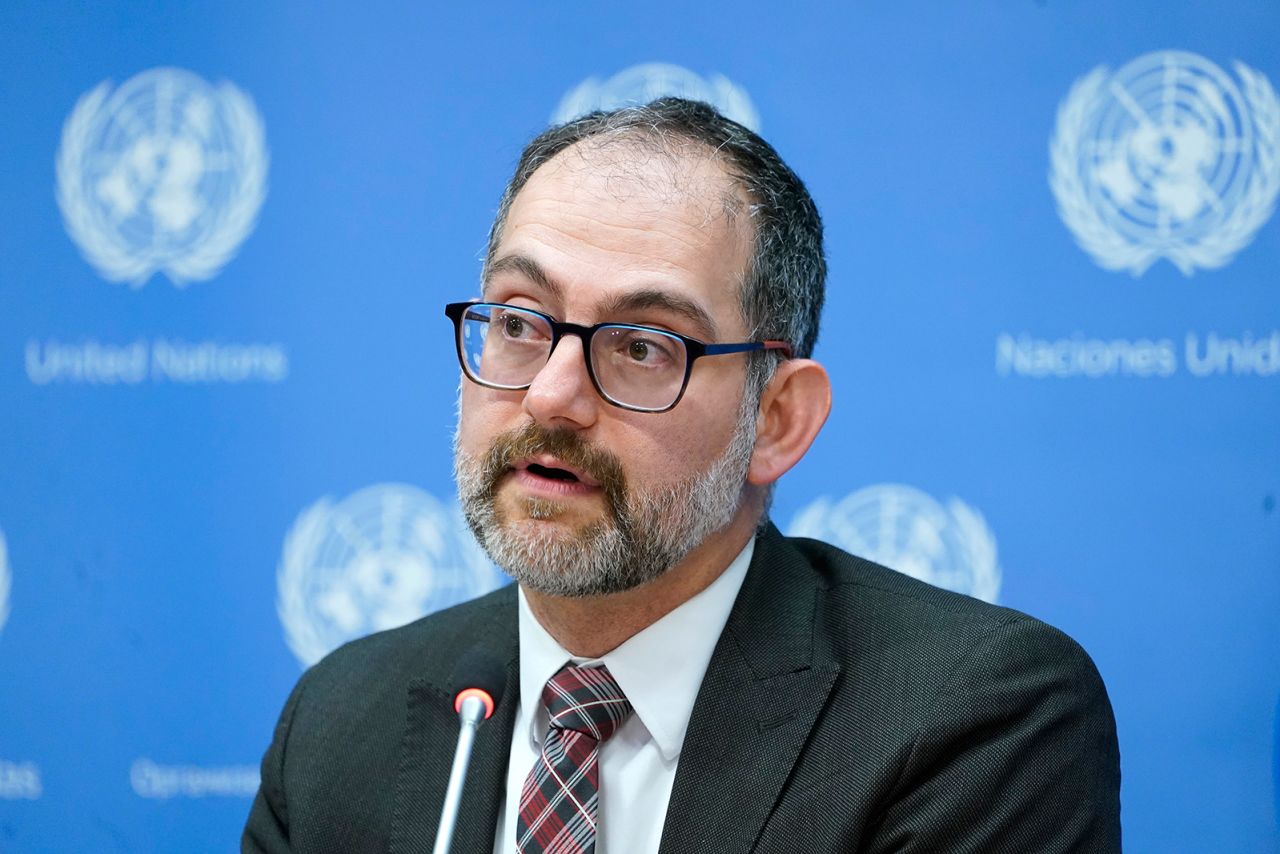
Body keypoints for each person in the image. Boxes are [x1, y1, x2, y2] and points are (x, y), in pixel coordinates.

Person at [243, 97, 1121, 853]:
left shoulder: (970, 720)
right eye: (518, 321)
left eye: (641, 346)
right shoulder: (340, 722)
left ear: (776, 419)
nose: (551, 396)